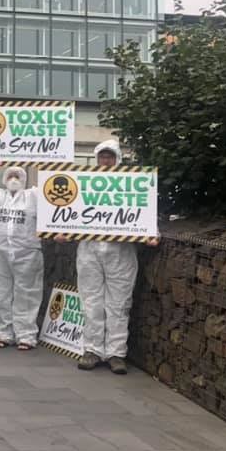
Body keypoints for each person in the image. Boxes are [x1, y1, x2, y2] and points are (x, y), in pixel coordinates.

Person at [69, 139, 158, 374]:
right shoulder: (84, 185)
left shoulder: (132, 185)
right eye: (102, 157)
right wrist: (61, 232)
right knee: (91, 303)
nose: (105, 161)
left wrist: (152, 233)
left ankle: (116, 354)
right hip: (89, 251)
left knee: (118, 305)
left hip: (122, 253)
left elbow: (143, 211)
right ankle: (92, 350)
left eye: (109, 157)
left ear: (117, 159)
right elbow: (69, 214)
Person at [0, 161, 43, 351]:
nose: (13, 180)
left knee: (27, 294)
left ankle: (26, 335)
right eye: (10, 176)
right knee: (0, 293)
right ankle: (4, 333)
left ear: (24, 179)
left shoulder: (33, 196)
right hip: (0, 251)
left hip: (27, 251)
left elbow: (49, 200)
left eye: (17, 176)